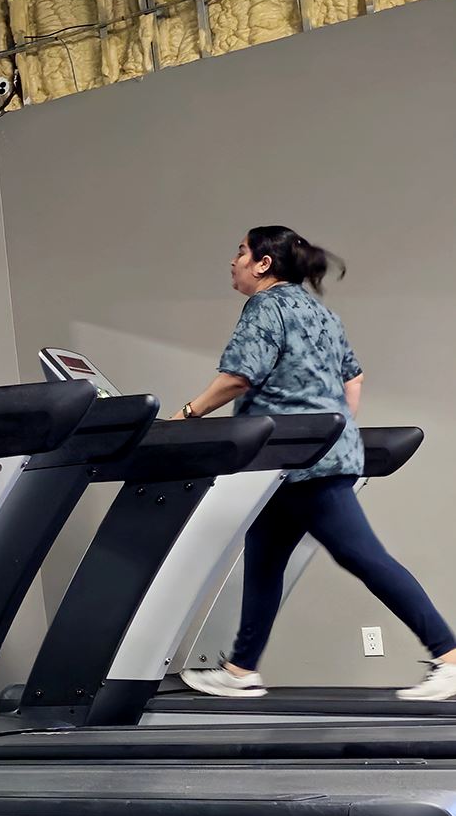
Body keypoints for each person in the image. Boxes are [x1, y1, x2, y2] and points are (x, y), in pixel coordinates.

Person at [177, 224, 456, 701]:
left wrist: (187, 414)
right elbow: (355, 377)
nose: (233, 260)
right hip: (291, 461)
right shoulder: (321, 313)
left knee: (363, 556)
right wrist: (337, 427)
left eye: (241, 252)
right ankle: (242, 669)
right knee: (264, 561)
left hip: (300, 461)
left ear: (263, 263)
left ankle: (449, 654)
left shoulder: (266, 307)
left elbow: (239, 377)